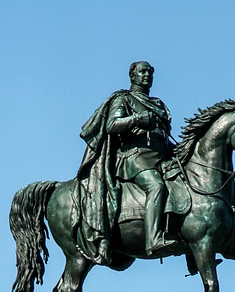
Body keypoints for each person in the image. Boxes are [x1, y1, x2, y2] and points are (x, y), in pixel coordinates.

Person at [76, 60, 183, 262]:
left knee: (188, 188)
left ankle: (192, 251)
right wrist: (137, 119)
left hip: (162, 159)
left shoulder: (159, 104)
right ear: (132, 76)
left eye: (150, 72)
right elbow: (112, 125)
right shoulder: (124, 99)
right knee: (156, 187)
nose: (147, 75)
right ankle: (153, 240)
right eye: (142, 72)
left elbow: (162, 135)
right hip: (134, 158)